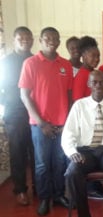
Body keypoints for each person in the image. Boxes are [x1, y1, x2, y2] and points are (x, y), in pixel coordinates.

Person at [19, 27, 73, 216]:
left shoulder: (65, 65)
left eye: (55, 38)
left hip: (62, 125)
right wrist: (42, 123)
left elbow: (69, 94)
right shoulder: (30, 63)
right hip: (39, 125)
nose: (51, 41)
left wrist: (68, 122)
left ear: (59, 42)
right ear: (40, 40)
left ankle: (58, 195)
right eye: (47, 38)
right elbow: (25, 96)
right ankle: (44, 198)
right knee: (42, 164)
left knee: (59, 162)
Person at [62, 70, 103, 217]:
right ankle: (84, 214)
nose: (98, 85)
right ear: (89, 84)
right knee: (72, 172)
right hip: (85, 152)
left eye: (101, 82)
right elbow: (68, 133)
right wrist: (72, 152)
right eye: (94, 82)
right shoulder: (79, 105)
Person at [0, 26, 34, 206]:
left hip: (36, 113)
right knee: (18, 153)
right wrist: (9, 104)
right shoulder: (6, 61)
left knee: (37, 154)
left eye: (28, 38)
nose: (25, 40)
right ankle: (20, 190)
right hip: (15, 114)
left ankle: (40, 188)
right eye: (21, 38)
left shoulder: (36, 60)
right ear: (14, 39)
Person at [72, 36, 100, 101]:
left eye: (98, 56)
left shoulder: (94, 73)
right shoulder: (81, 76)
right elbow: (78, 103)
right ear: (83, 55)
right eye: (93, 56)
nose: (97, 59)